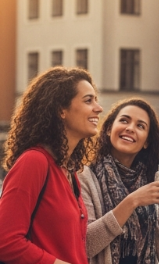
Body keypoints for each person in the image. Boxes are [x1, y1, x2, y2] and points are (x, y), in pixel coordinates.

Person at [0, 67, 101, 264]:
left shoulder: (70, 171)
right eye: (88, 100)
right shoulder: (34, 162)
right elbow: (5, 241)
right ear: (61, 110)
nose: (98, 108)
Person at [78, 98, 159, 264]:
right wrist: (133, 201)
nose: (130, 128)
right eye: (124, 120)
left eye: (140, 126)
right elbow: (86, 244)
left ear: (146, 141)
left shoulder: (149, 181)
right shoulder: (85, 177)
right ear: (109, 129)